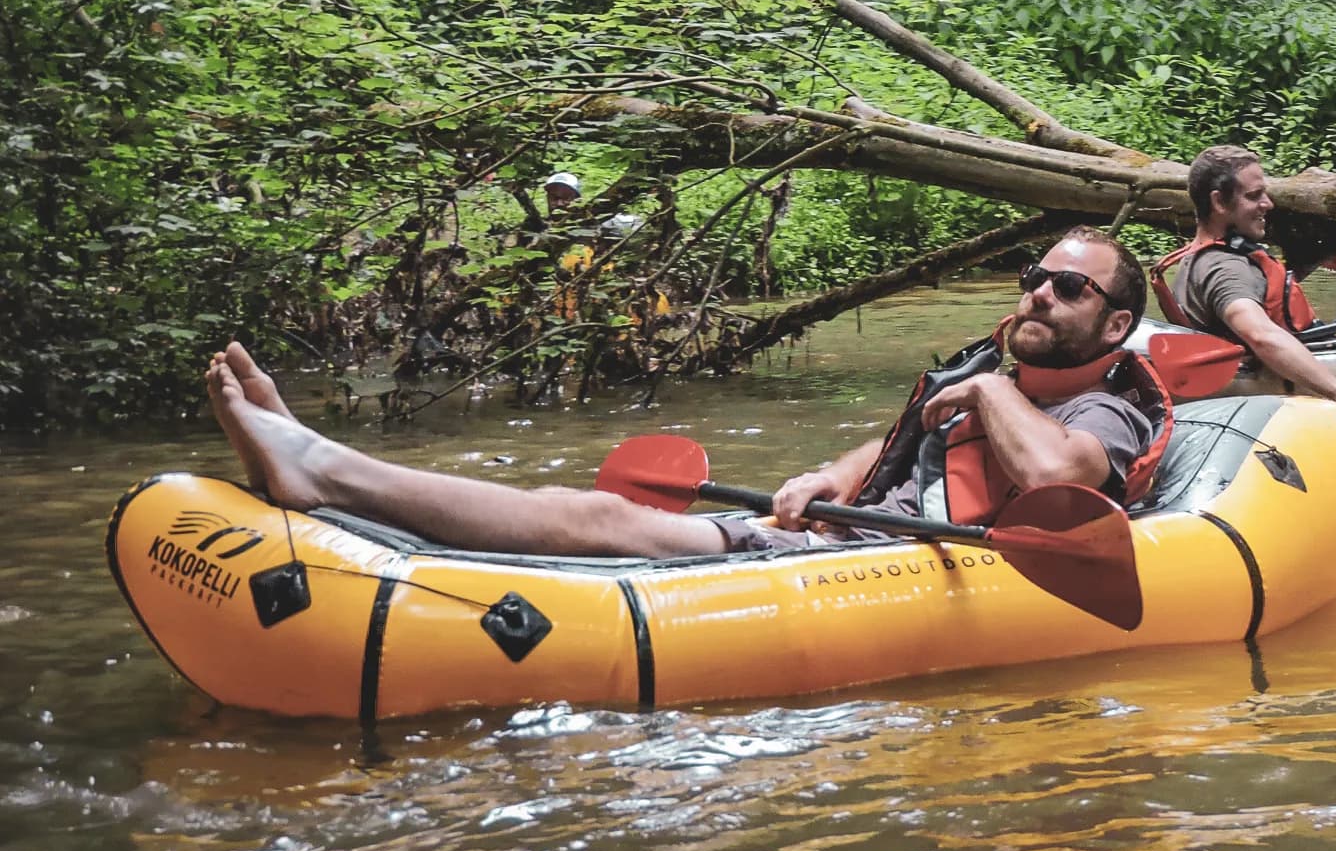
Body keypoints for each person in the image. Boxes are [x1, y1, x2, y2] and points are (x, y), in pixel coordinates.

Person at [205, 227, 1170, 559]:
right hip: (843, 534)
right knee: (572, 507)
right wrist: (817, 478)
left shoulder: (1107, 408)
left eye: (1069, 287)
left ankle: (323, 468)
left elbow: (1058, 477)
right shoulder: (989, 378)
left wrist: (993, 391)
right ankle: (313, 457)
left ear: (1116, 324)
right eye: (1033, 281)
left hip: (904, 567)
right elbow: (896, 455)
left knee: (593, 521)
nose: (1039, 293)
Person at [1150, 146, 1336, 408]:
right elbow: (1260, 335)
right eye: (1254, 196)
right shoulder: (1224, 268)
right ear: (1219, 203)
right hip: (1292, 366)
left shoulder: (1199, 257)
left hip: (1316, 339)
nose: (1268, 204)